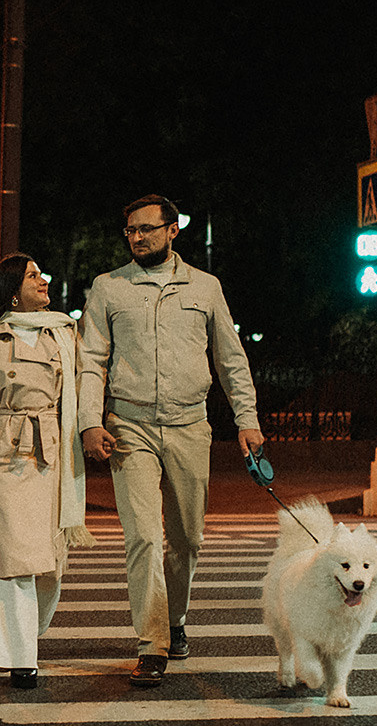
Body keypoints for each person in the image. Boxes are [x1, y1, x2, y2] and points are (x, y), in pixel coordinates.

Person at [77, 195, 264, 687]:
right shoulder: (108, 288)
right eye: (131, 231)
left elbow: (230, 358)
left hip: (189, 425)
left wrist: (247, 420)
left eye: (147, 229)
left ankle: (175, 620)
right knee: (142, 535)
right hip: (128, 426)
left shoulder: (205, 287)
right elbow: (91, 359)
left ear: (173, 229)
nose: (138, 238)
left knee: (187, 539)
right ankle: (152, 643)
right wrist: (88, 421)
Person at [0, 254, 95, 689]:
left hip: (54, 456)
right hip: (3, 458)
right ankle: (21, 660)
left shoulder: (65, 333)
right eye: (33, 275)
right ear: (13, 290)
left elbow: (87, 386)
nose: (43, 280)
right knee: (16, 563)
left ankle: (28, 635)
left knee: (50, 564)